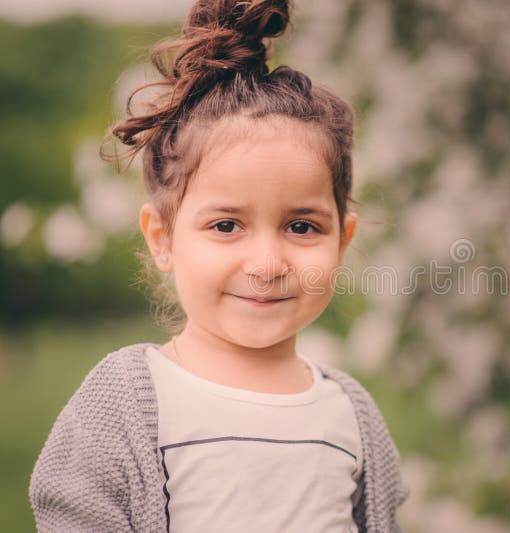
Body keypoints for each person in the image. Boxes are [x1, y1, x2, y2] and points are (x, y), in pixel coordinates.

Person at [28, 1, 409, 531]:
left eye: (302, 227)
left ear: (341, 243)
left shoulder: (351, 414)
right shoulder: (128, 406)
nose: (268, 263)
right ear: (163, 238)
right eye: (226, 226)